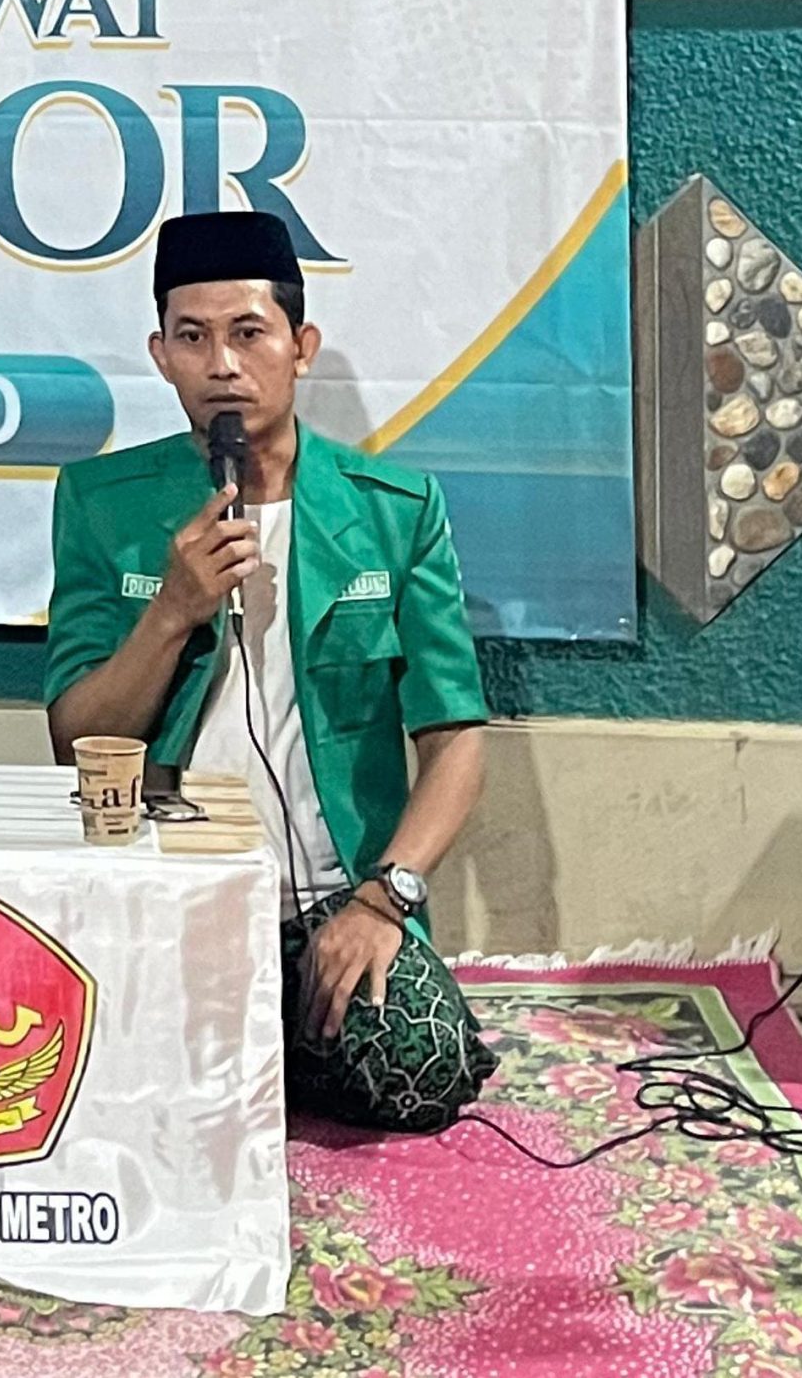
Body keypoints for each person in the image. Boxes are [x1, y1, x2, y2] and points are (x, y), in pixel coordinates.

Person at [42, 212, 495, 1132]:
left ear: (301, 346)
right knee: (94, 1086)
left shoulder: (396, 510)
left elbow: (455, 740)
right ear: (161, 356)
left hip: (335, 900)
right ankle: (253, 1050)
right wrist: (171, 610)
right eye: (192, 337)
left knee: (426, 1067)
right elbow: (77, 740)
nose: (222, 364)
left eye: (249, 332)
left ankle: (271, 1039)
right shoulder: (101, 503)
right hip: (168, 892)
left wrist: (384, 900)